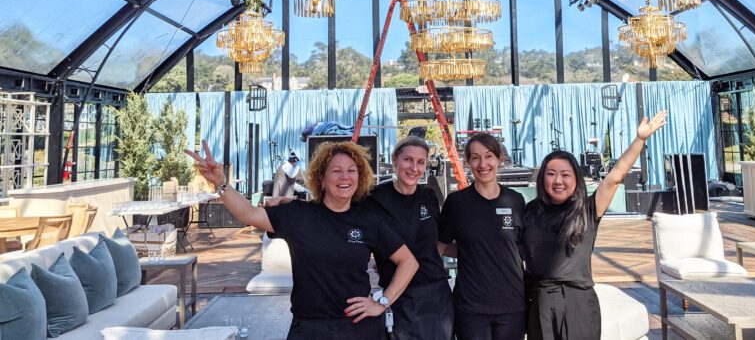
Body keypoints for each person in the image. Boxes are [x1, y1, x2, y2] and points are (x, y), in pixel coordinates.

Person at [186, 139, 418, 339]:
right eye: (336, 170)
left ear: (360, 177)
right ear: (322, 179)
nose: (345, 176)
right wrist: (220, 183)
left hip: (358, 327)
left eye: (352, 170)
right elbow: (248, 214)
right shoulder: (298, 215)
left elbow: (409, 262)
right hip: (309, 328)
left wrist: (382, 303)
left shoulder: (369, 221)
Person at [521, 110, 668, 340]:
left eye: (565, 175)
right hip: (539, 301)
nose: (558, 181)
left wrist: (640, 140)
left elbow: (615, 176)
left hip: (578, 300)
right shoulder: (529, 211)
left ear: (576, 179)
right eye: (551, 174)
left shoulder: (587, 209)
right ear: (542, 179)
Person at [437, 132, 526, 340]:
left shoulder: (516, 201)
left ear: (499, 160)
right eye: (475, 157)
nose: (482, 163)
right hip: (471, 308)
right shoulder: (457, 203)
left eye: (488, 156)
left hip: (512, 305)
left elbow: (521, 248)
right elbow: (440, 245)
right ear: (468, 162)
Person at [369, 136, 453, 340]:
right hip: (399, 296)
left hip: (436, 295)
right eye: (408, 160)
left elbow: (437, 242)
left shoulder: (429, 196)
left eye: (421, 162)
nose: (414, 167)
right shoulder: (374, 198)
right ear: (395, 160)